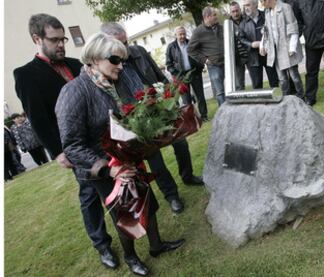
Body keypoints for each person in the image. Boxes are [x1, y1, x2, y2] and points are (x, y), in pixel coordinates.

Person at [55, 32, 184, 276]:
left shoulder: (114, 82)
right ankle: (131, 257)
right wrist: (109, 167)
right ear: (94, 59)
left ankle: (156, 245)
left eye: (122, 60)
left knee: (147, 200)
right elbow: (72, 145)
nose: (121, 65)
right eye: (115, 60)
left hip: (127, 156)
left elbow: (127, 118)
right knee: (124, 212)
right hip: (102, 167)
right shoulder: (73, 91)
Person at [13, 14, 115, 269]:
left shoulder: (76, 63)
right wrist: (58, 152)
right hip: (74, 147)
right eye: (55, 40)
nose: (61, 44)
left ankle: (132, 227)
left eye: (63, 39)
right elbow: (38, 118)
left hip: (103, 139)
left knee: (116, 182)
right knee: (90, 193)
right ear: (37, 39)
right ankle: (102, 245)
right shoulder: (26, 75)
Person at [100, 22, 204, 215]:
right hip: (138, 119)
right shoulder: (108, 64)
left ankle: (188, 176)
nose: (126, 48)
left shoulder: (138, 51)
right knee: (155, 160)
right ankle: (171, 195)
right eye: (120, 44)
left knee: (180, 143)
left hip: (160, 107)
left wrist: (169, 95)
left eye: (126, 41)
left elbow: (158, 75)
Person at [260, 0, 304, 99]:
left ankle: (301, 98)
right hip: (276, 50)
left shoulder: (285, 8)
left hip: (287, 48)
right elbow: (266, 31)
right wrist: (263, 45)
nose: (261, 4)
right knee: (282, 78)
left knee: (294, 76)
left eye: (262, 1)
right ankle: (286, 99)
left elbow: (293, 28)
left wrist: (292, 47)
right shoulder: (267, 12)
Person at [166, 26, 209, 121]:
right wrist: (177, 74)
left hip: (194, 73)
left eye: (184, 34)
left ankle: (204, 116)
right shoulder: (171, 47)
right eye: (180, 34)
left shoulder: (191, 43)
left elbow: (200, 57)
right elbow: (168, 64)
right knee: (186, 100)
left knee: (200, 96)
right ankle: (193, 119)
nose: (182, 36)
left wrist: (199, 68)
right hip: (181, 77)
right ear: (175, 35)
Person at [188, 6, 226, 106]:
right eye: (214, 15)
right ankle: (223, 113)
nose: (216, 17)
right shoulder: (198, 32)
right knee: (220, 92)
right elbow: (190, 50)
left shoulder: (220, 27)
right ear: (207, 17)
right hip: (214, 66)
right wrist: (204, 60)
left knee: (232, 88)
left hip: (226, 63)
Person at [239, 0, 279, 89]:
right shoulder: (243, 23)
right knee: (257, 85)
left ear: (256, 5)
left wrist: (266, 43)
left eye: (248, 5)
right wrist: (251, 44)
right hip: (253, 57)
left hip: (268, 53)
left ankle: (278, 100)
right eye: (245, 6)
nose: (246, 8)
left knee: (274, 80)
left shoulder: (266, 16)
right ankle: (260, 103)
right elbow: (241, 39)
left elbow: (273, 31)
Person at [229, 1, 249, 91]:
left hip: (250, 55)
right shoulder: (228, 24)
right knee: (239, 85)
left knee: (257, 82)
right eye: (233, 11)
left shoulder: (247, 19)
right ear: (230, 12)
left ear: (240, 10)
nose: (235, 13)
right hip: (237, 59)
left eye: (237, 10)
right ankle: (243, 104)